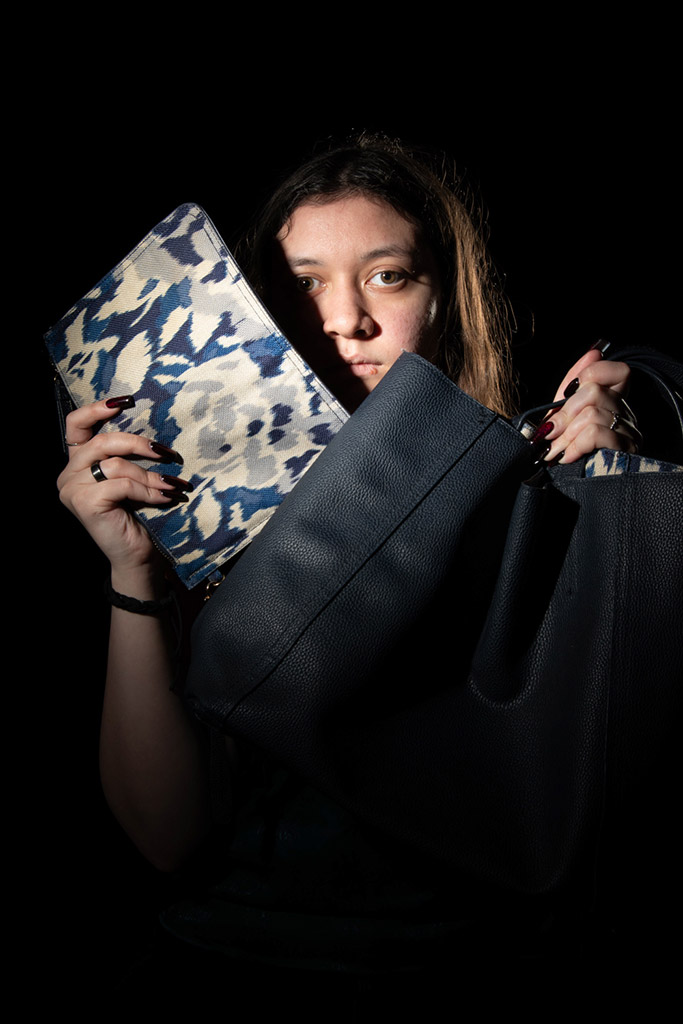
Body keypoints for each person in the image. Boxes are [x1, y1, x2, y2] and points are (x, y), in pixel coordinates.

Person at [56, 136, 640, 1001]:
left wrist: (621, 480)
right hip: (227, 970)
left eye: (386, 275)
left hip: (480, 972)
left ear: (446, 297)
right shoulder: (198, 507)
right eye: (302, 283)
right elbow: (166, 838)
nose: (344, 321)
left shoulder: (530, 487)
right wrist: (135, 573)